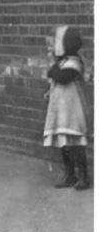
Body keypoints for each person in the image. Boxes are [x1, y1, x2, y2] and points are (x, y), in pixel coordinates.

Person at [43, 26, 90, 190]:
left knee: (76, 144)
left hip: (73, 110)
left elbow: (62, 77)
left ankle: (84, 177)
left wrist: (52, 69)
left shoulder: (74, 62)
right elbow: (53, 78)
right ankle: (70, 174)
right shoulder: (62, 62)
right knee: (64, 144)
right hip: (61, 111)